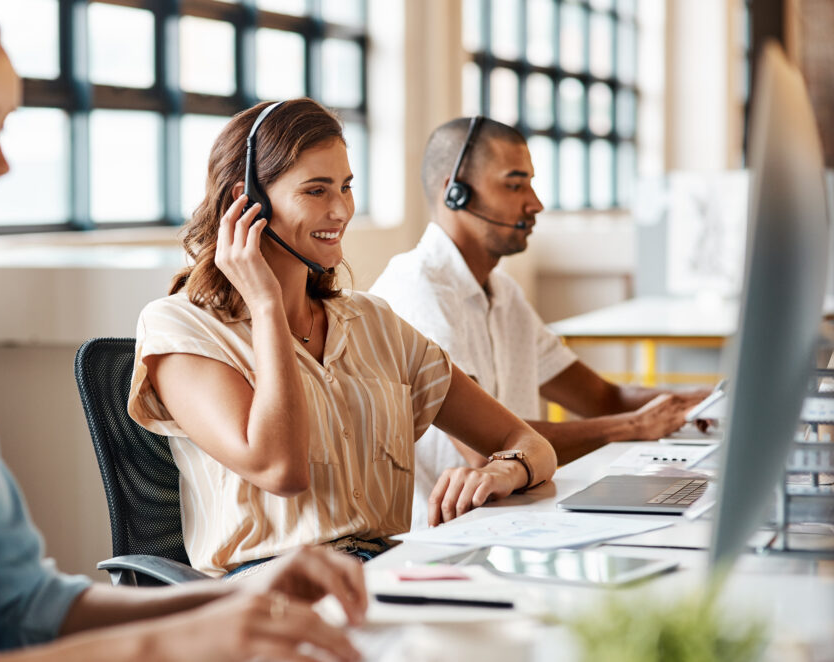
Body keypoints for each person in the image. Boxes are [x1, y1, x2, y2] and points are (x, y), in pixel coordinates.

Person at [0, 1, 369, 661]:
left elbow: (28, 604)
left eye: (4, 128)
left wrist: (232, 597)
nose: (1, 163)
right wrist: (169, 645)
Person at [127, 98, 557, 577]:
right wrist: (266, 305)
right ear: (244, 203)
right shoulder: (180, 327)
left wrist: (506, 468)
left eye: (346, 187)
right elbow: (280, 469)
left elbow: (529, 442)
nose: (340, 211)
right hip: (268, 587)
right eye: (315, 190)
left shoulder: (373, 322)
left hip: (385, 570)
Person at [369, 116, 711, 530]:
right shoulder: (417, 290)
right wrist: (634, 427)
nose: (535, 203)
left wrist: (700, 400)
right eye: (515, 185)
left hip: (518, 519)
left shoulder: (503, 292)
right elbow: (486, 452)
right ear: (455, 192)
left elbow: (602, 398)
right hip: (449, 535)